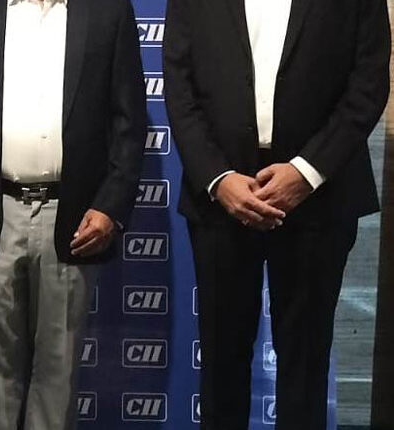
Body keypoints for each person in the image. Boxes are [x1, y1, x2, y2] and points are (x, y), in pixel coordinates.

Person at [164, 0, 390, 429]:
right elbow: (178, 82)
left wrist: (307, 172)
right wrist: (217, 177)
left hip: (320, 197)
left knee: (306, 367)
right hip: (221, 199)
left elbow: (369, 80)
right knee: (221, 365)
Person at [0, 0, 146, 428]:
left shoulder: (108, 11)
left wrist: (109, 207)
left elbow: (129, 122)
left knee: (57, 384)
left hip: (73, 221)